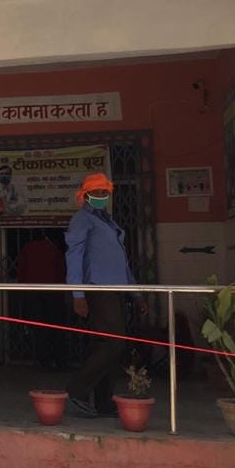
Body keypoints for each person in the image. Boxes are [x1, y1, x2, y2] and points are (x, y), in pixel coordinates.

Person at [64, 173, 147, 418]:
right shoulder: (82, 219)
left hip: (116, 291)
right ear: (85, 195)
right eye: (96, 192)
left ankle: (103, 401)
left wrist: (137, 295)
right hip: (97, 290)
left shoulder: (108, 222)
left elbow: (122, 264)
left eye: (104, 193)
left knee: (110, 346)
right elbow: (74, 256)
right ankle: (76, 389)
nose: (101, 196)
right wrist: (77, 294)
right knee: (113, 342)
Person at [16, 229, 69, 371]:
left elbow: (21, 271)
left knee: (39, 330)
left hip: (33, 294)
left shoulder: (28, 248)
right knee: (57, 329)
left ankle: (44, 362)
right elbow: (61, 273)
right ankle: (60, 361)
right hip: (53, 294)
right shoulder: (55, 251)